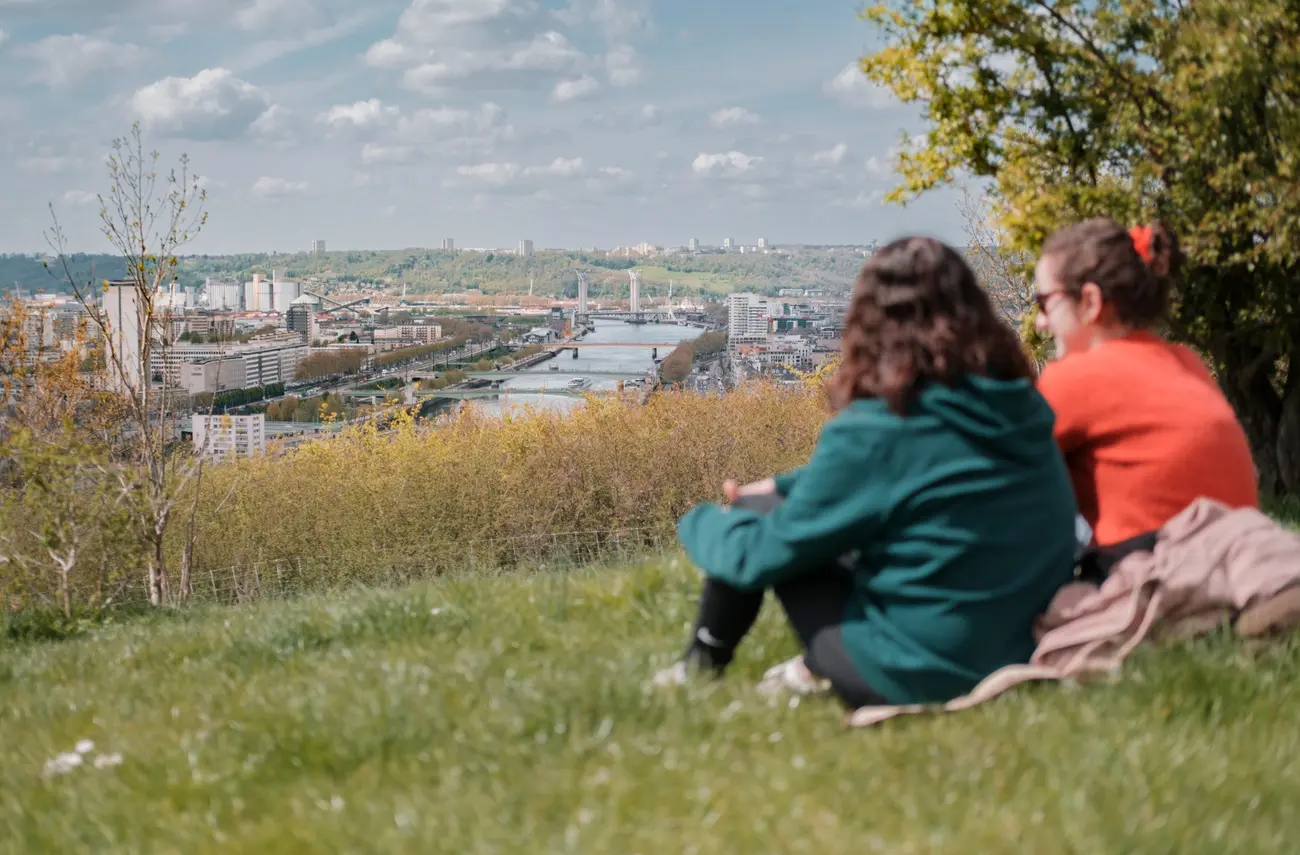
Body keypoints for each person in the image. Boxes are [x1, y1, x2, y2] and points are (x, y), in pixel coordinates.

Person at [653, 237, 1080, 708]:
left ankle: (700, 668)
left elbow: (755, 558)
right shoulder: (1019, 405)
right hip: (1020, 649)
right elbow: (908, 473)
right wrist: (781, 486)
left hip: (921, 674)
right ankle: (714, 667)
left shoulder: (881, 425)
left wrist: (702, 520)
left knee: (756, 518)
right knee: (776, 504)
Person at [1032, 219, 1259, 579]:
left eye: (1044, 303)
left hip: (1150, 564)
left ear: (1089, 302)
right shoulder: (1187, 362)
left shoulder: (1074, 378)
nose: (1039, 323)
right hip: (1242, 554)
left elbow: (1003, 469)